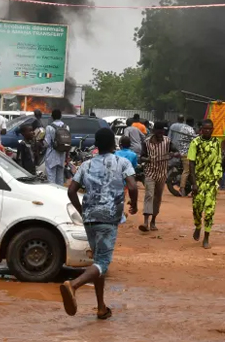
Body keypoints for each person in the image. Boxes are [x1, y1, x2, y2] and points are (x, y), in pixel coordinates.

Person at [62, 128, 139, 320]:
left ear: (96, 145)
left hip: (90, 219)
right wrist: (134, 204)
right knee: (103, 263)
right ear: (114, 144)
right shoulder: (122, 162)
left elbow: (71, 191)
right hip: (109, 219)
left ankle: (101, 307)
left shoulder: (86, 165)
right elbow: (132, 186)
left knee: (98, 263)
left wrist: (83, 212)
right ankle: (74, 285)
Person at [188, 119, 223, 249]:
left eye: (210, 129)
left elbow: (219, 160)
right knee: (197, 208)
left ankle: (206, 237)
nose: (207, 131)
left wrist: (218, 178)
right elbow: (191, 163)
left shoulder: (216, 143)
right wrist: (194, 183)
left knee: (209, 210)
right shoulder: (195, 143)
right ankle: (197, 226)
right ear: (201, 129)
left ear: (212, 129)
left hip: (212, 182)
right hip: (198, 180)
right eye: (205, 128)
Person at [140, 121, 177, 232]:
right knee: (149, 195)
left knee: (158, 198)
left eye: (162, 131)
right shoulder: (146, 142)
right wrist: (147, 159)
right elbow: (141, 157)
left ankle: (153, 221)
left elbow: (176, 151)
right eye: (159, 131)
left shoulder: (167, 141)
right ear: (154, 131)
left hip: (162, 174)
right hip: (150, 173)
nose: (161, 133)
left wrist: (173, 154)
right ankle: (145, 222)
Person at [169, 115, 197, 197]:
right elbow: (195, 140)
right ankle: (182, 188)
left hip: (179, 150)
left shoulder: (182, 128)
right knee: (187, 170)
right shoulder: (190, 129)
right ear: (192, 123)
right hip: (186, 152)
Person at [45, 109, 70, 186]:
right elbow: (68, 142)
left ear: (52, 116)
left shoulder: (49, 127)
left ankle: (52, 195)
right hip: (62, 155)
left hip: (51, 155)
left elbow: (47, 142)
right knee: (60, 178)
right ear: (61, 116)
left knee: (51, 178)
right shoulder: (66, 127)